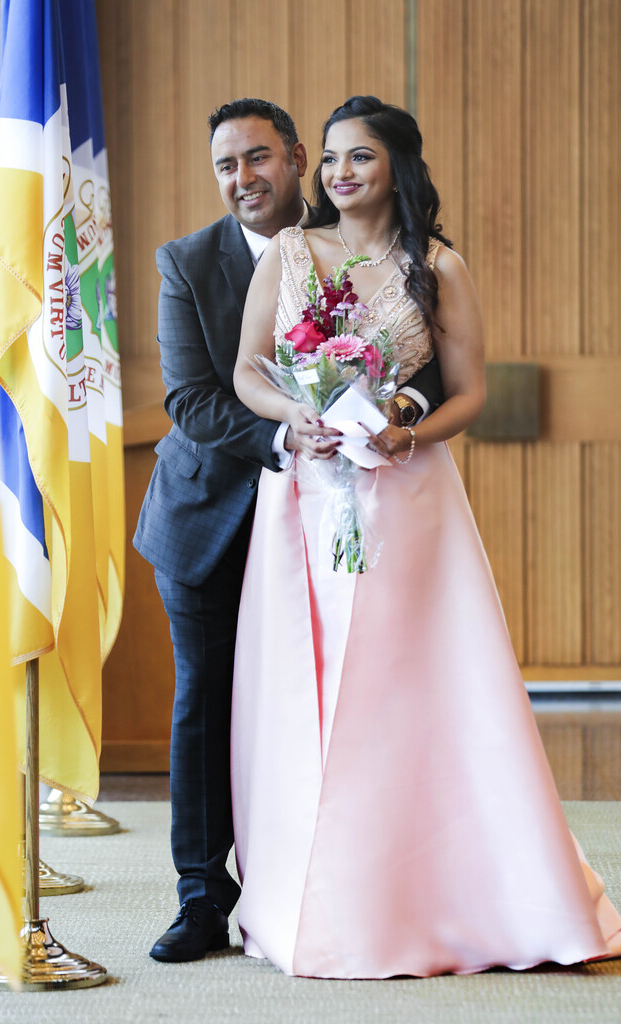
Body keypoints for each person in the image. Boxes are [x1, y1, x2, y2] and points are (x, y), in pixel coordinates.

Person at [231, 95, 621, 979]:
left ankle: (431, 893)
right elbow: (248, 368)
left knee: (402, 686)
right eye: (330, 159)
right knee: (304, 686)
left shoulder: (436, 265)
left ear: (397, 165)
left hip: (404, 499)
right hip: (304, 499)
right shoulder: (292, 253)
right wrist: (297, 416)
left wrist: (409, 426)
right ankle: (305, 895)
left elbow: (466, 391)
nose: (339, 174)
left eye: (359, 157)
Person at [133, 97, 444, 964]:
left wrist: (392, 408)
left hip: (325, 532)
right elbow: (193, 400)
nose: (244, 179)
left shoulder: (342, 240)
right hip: (206, 520)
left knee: (313, 710)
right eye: (226, 165)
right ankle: (201, 898)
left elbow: (432, 362)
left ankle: (310, 883)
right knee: (204, 705)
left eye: (259, 159)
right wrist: (286, 433)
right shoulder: (187, 262)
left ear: (298, 157)